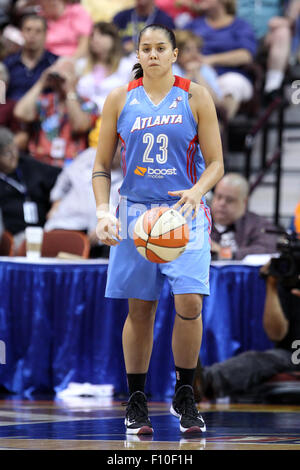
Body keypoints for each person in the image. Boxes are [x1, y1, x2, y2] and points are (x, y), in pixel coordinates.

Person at [92, 24, 224, 435]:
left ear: (174, 53)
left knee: (189, 302)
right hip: (135, 214)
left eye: (160, 48)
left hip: (184, 210)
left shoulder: (195, 95)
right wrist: (102, 213)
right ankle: (136, 400)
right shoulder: (119, 98)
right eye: (145, 48)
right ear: (138, 54)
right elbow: (101, 167)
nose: (152, 54)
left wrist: (197, 190)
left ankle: (185, 393)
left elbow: (217, 163)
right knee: (140, 309)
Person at [193, 263, 300, 403]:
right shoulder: (290, 281)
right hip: (290, 354)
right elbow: (275, 334)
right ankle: (201, 382)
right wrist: (271, 287)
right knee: (258, 360)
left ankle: (207, 381)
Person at [45, 118, 123, 258]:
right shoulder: (89, 155)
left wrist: (110, 225)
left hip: (99, 235)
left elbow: (129, 210)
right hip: (65, 222)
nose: (115, 150)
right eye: (113, 145)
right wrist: (56, 202)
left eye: (120, 147)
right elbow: (64, 179)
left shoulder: (130, 173)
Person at [13, 57, 99, 168]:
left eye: (67, 72)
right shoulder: (45, 101)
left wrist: (69, 90)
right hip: (39, 162)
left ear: (77, 78)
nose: (60, 78)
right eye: (58, 72)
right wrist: (41, 83)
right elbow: (20, 113)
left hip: (71, 165)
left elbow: (80, 126)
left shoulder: (88, 104)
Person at [184, 0, 257, 119]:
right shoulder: (193, 24)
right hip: (197, 72)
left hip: (229, 74)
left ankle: (219, 129)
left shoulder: (240, 25)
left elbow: (246, 55)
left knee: (233, 84)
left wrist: (211, 60)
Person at [0, 126, 60, 252]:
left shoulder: (28, 165)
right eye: (6, 153)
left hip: (43, 231)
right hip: (13, 237)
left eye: (14, 149)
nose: (13, 156)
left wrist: (57, 202)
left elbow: (63, 176)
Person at [237, 0, 300, 100]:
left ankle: (272, 88)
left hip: (267, 34)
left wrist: (289, 20)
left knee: (282, 32)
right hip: (236, 33)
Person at [210, 173, 278, 260]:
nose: (222, 203)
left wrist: (225, 253)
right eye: (218, 197)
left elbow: (267, 249)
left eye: (230, 200)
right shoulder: (200, 222)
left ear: (244, 202)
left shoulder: (259, 225)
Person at [76, 22, 135, 113]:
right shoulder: (81, 65)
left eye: (102, 34)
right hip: (85, 116)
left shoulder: (127, 66)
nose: (95, 39)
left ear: (113, 39)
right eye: (92, 35)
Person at [3, 14, 58, 101]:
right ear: (21, 33)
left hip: (43, 111)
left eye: (38, 31)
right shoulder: (8, 64)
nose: (32, 35)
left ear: (45, 34)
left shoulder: (55, 63)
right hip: (11, 110)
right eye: (28, 30)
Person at [173, 29, 223, 105]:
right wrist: (189, 75)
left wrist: (197, 74)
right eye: (188, 50)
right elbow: (172, 100)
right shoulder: (171, 69)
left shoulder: (205, 69)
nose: (194, 54)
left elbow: (216, 103)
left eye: (197, 49)